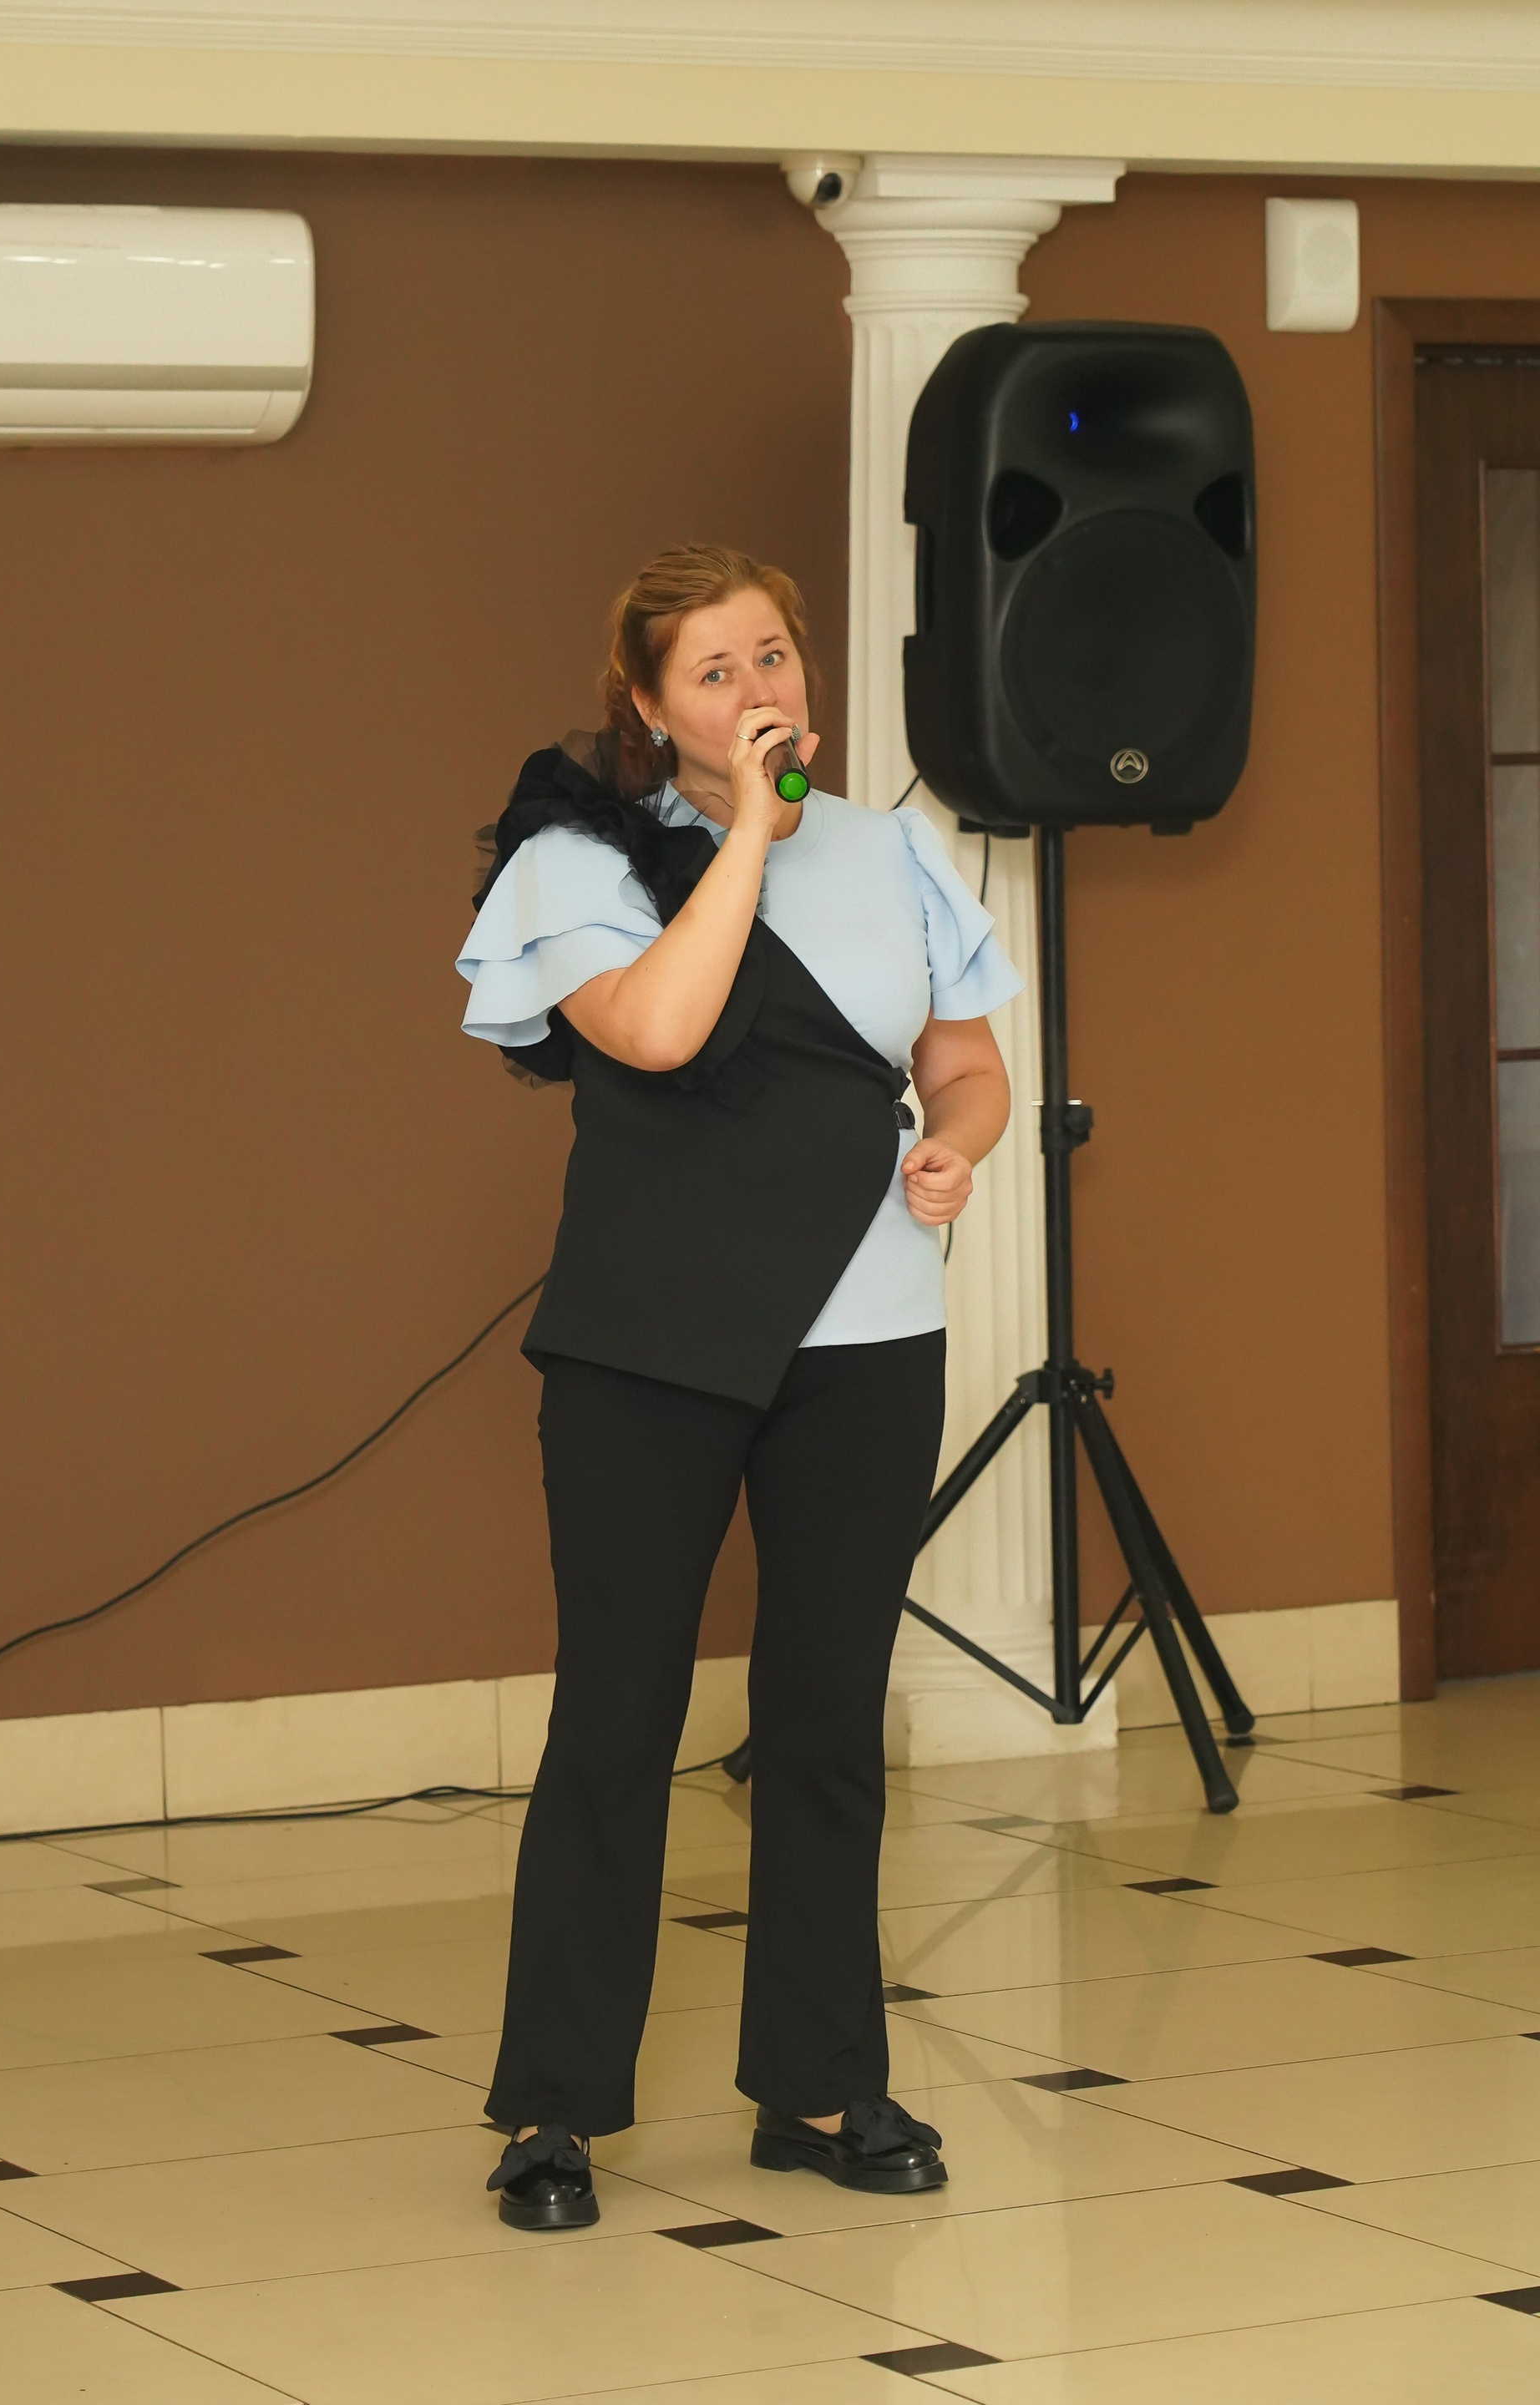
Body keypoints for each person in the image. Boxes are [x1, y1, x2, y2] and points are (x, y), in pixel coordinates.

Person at [455, 544, 1019, 2231]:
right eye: (715, 670)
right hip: (651, 1348)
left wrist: (960, 1147)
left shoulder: (895, 848)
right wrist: (751, 841)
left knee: (831, 1719)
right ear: (646, 705)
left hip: (868, 1340)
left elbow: (968, 1065)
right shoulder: (579, 856)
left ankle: (822, 2084)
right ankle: (555, 2108)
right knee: (618, 1719)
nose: (759, 689)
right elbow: (659, 1030)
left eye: (774, 654)